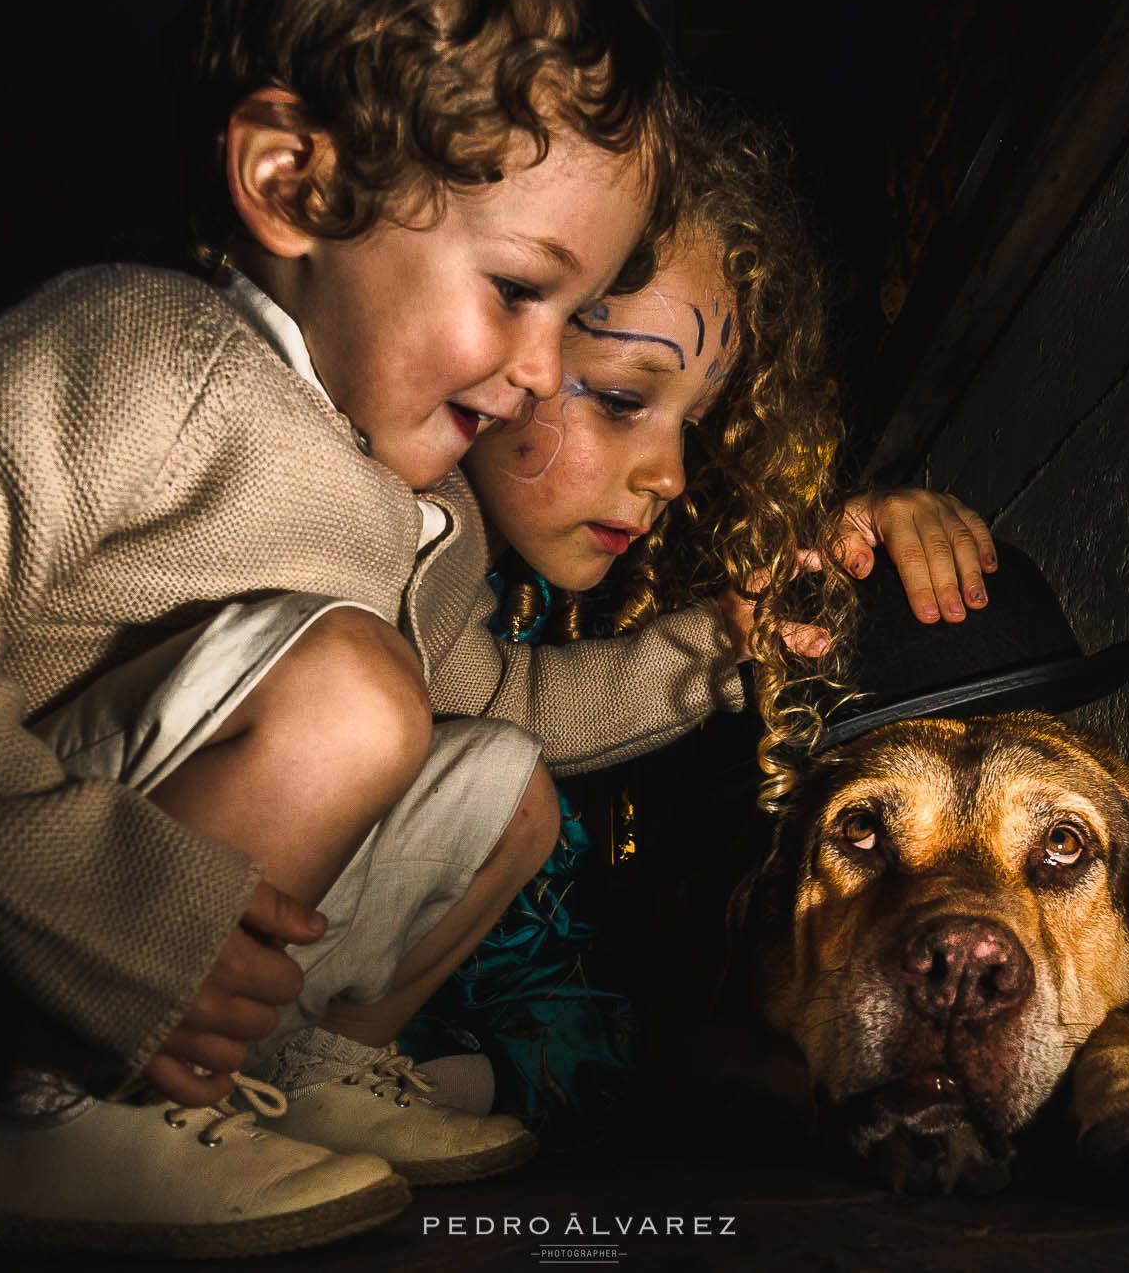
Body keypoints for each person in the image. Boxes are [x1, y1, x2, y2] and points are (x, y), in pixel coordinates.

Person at [0, 0, 719, 1257]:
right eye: (518, 288)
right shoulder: (144, 356)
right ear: (292, 184)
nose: (536, 370)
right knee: (355, 698)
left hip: (202, 926)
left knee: (504, 773)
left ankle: (286, 1078)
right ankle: (48, 1115)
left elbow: (506, 686)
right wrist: (64, 884)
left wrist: (720, 654)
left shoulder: (431, 511)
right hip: (21, 912)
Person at [401, 97, 996, 1129]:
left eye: (700, 420)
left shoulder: (575, 577)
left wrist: (852, 538)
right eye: (626, 398)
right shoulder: (384, 522)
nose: (671, 472)